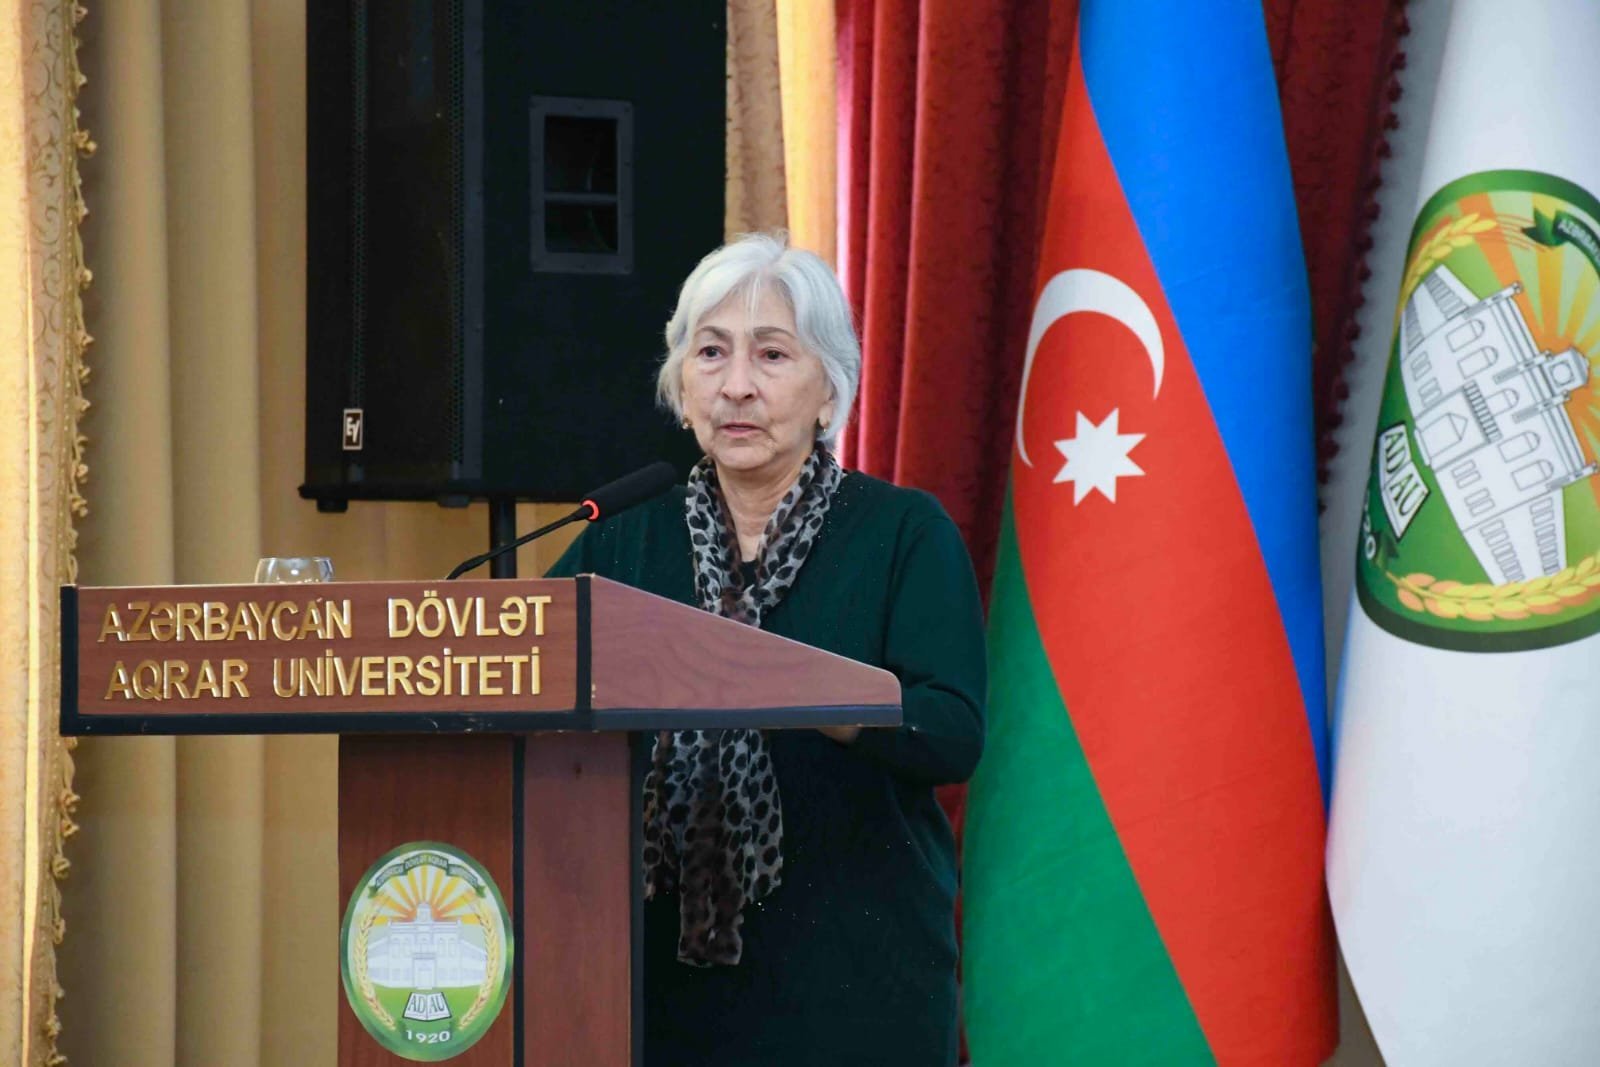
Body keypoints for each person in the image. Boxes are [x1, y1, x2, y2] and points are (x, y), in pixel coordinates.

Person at [547, 232, 985, 1065]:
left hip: (855, 984)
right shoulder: (621, 542)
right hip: (654, 986)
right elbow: (527, 675)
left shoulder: (902, 533)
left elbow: (951, 730)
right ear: (682, 389)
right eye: (711, 352)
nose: (737, 384)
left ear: (829, 391)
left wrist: (800, 687)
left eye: (772, 354)